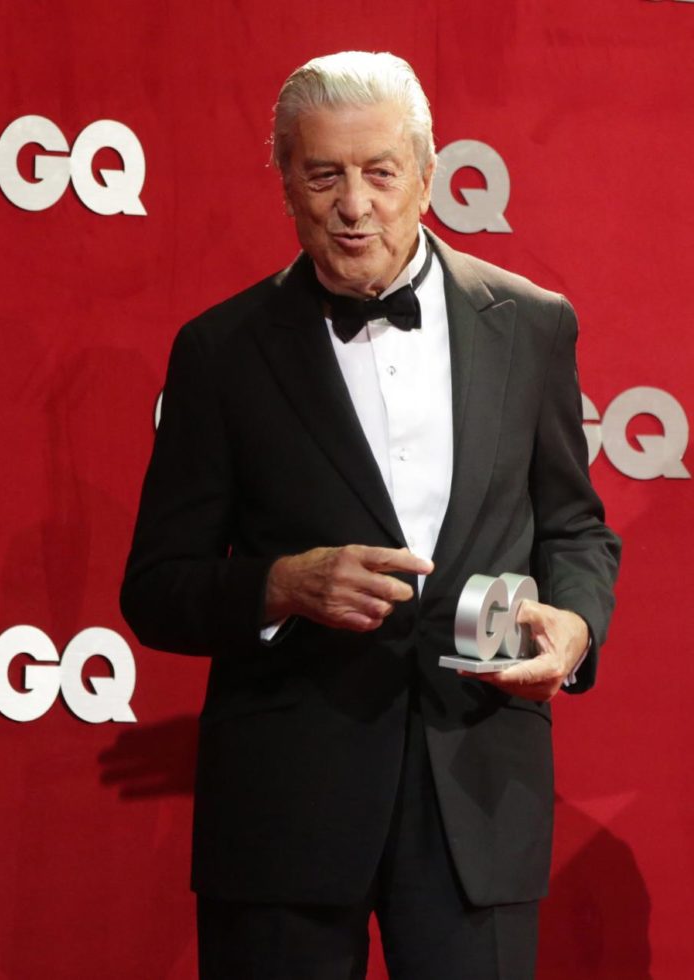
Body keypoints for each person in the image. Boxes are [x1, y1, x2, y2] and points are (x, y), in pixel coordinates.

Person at [121, 51, 621, 980]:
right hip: (285, 807)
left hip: (479, 787)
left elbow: (574, 527)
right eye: (324, 176)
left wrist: (577, 625)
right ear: (286, 184)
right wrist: (280, 585)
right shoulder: (220, 352)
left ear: (427, 176)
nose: (355, 205)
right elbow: (155, 588)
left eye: (381, 173)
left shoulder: (533, 323)